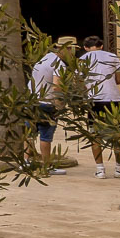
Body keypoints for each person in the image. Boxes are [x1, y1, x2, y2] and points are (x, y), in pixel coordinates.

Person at [80, 35, 120, 179]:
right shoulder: (112, 56)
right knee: (118, 134)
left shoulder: (82, 60)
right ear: (101, 46)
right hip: (113, 99)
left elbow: (79, 82)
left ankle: (100, 169)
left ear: (85, 48)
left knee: (94, 135)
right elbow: (119, 80)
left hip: (94, 100)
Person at [29, 36, 79, 174]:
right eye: (72, 50)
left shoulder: (44, 58)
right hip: (46, 102)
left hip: (31, 100)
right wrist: (60, 104)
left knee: (29, 133)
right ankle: (47, 166)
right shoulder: (59, 64)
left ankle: (26, 163)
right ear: (67, 49)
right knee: (45, 135)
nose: (73, 54)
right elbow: (57, 86)